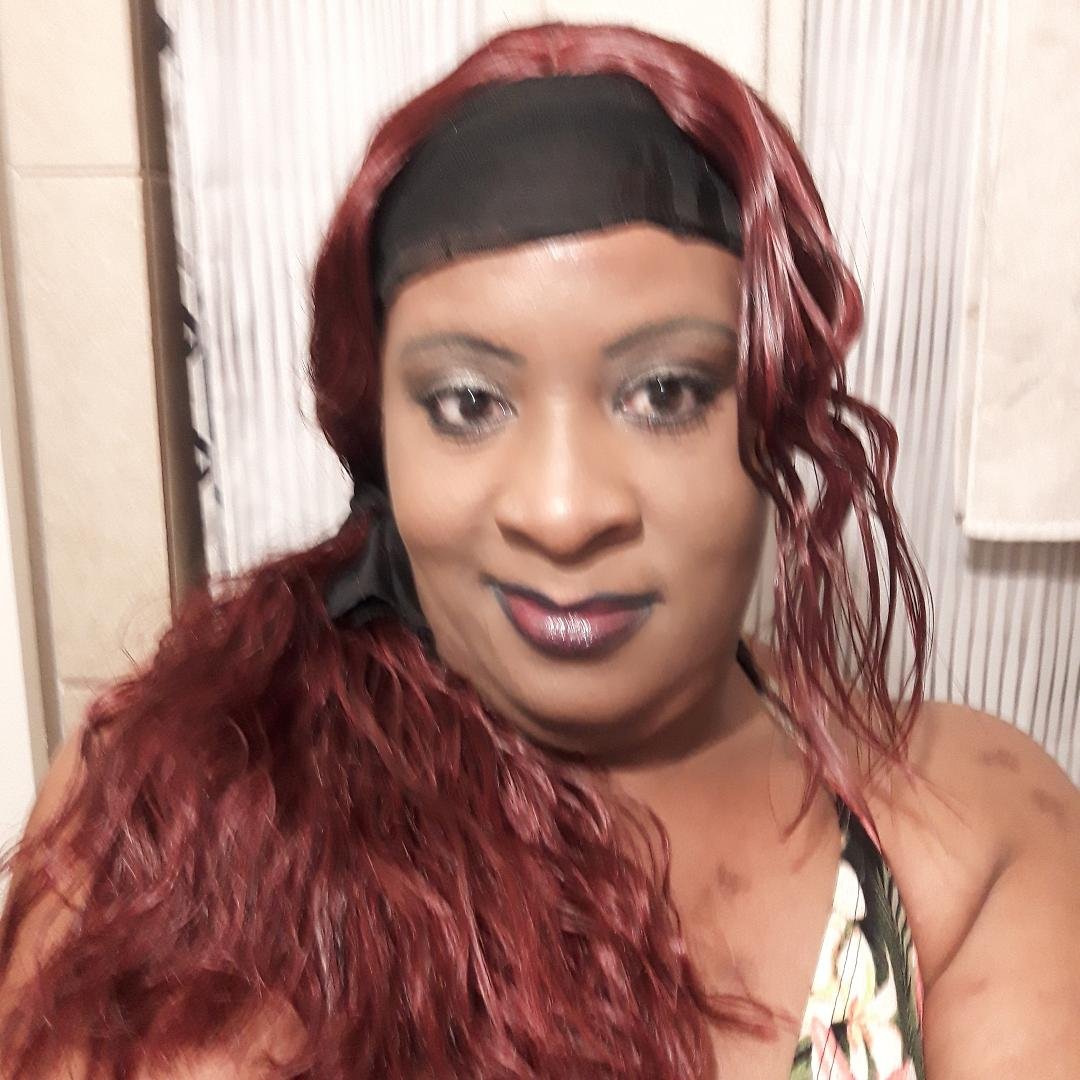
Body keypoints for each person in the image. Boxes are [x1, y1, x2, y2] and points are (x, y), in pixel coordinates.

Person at [1, 20, 1077, 1080]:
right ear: (380, 438)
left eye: (666, 394)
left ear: (776, 411)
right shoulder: (173, 807)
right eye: (468, 403)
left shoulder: (959, 837)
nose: (563, 513)